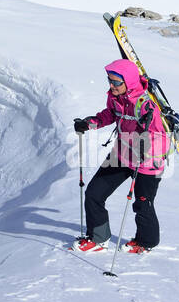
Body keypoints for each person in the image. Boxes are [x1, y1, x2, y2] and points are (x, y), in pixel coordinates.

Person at [71, 58, 171, 254]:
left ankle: (146, 242)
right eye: (109, 80)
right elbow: (110, 115)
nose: (111, 85)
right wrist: (89, 123)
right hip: (123, 153)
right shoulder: (115, 97)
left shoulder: (146, 104)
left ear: (129, 81)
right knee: (94, 194)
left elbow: (159, 133)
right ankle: (99, 239)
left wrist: (146, 148)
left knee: (143, 203)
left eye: (116, 82)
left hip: (147, 160)